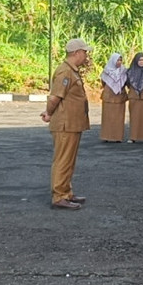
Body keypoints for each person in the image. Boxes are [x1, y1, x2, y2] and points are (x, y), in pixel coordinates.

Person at [40, 38, 92, 210]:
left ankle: (66, 192)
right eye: (84, 52)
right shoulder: (64, 72)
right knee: (63, 160)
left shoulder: (72, 71)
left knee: (69, 160)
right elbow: (54, 97)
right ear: (76, 53)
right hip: (65, 124)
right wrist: (49, 113)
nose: (86, 55)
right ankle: (59, 196)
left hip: (73, 123)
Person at [99, 53, 127, 143]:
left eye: (120, 60)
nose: (119, 62)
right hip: (108, 96)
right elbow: (103, 82)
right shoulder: (106, 70)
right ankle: (106, 136)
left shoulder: (123, 70)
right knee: (107, 117)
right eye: (117, 60)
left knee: (119, 117)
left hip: (119, 96)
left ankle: (118, 137)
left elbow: (126, 82)